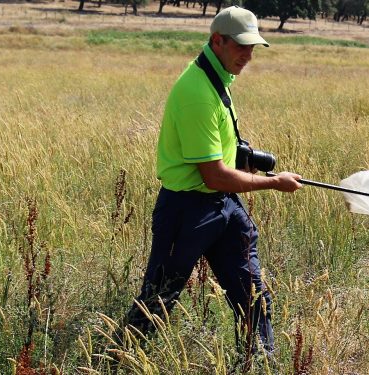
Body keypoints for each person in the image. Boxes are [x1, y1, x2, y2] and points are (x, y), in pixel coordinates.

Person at [121, 6, 302, 355]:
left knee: (252, 291)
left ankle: (260, 361)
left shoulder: (218, 76)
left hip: (222, 203)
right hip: (186, 210)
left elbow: (219, 159)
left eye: (253, 48)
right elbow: (215, 175)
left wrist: (243, 157)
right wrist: (275, 183)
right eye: (241, 47)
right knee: (159, 296)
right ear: (217, 41)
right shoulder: (197, 92)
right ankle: (117, 359)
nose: (248, 56)